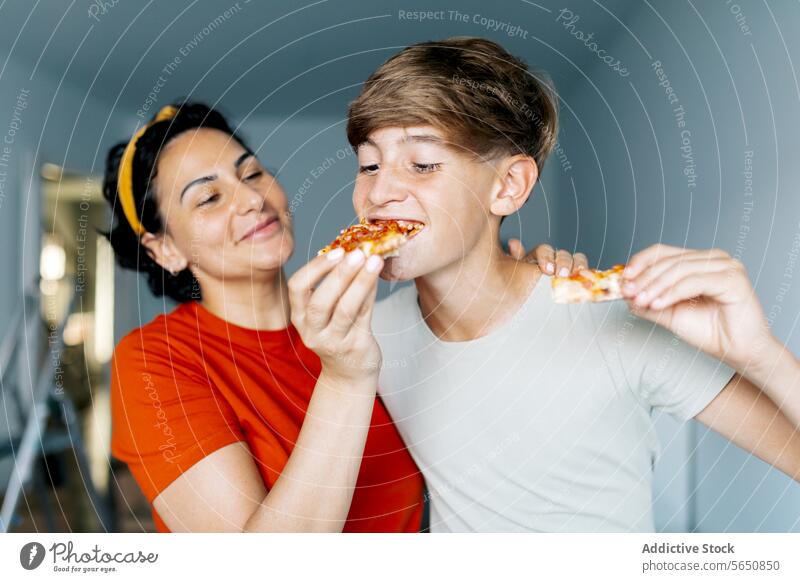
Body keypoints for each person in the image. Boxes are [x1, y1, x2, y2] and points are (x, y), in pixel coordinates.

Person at [306, 36, 798, 532]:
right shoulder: (363, 344)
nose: (378, 192)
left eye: (423, 164)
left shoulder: (614, 321)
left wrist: (761, 353)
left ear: (508, 186)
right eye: (368, 165)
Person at [104, 101, 576, 532]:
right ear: (164, 249)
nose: (251, 200)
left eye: (251, 174)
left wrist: (514, 285)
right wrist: (346, 378)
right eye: (208, 198)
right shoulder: (152, 361)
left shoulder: (381, 323)